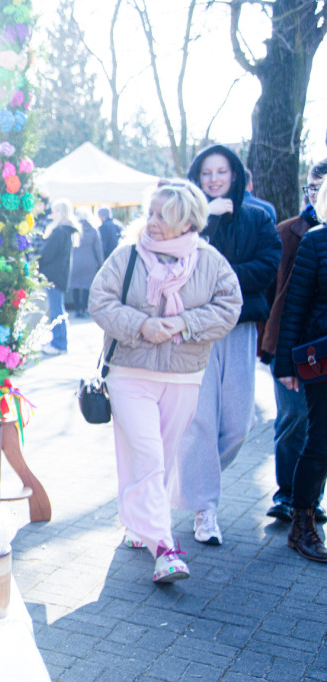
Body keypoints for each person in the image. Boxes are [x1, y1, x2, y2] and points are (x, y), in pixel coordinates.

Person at [91, 181, 241, 582]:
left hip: (183, 376)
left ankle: (137, 522)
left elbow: (230, 307)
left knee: (161, 457)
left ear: (187, 222)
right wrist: (141, 325)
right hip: (129, 373)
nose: (152, 222)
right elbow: (100, 301)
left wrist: (184, 323)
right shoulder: (127, 255)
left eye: (163, 216)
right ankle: (165, 550)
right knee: (149, 456)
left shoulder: (210, 261)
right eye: (151, 213)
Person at [174, 145, 281, 545]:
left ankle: (186, 480)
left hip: (239, 327)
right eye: (207, 173)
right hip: (195, 330)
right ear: (197, 177)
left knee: (238, 423)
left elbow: (267, 265)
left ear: (234, 174)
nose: (214, 179)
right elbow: (175, 265)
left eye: (221, 171)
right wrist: (206, 220)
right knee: (200, 420)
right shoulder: (184, 220)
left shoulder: (258, 215)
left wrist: (218, 276)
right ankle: (205, 509)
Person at [260, 159, 327, 523]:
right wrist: (270, 345)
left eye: (322, 188)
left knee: (320, 428)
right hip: (288, 346)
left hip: (321, 349)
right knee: (294, 419)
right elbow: (273, 293)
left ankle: (310, 499)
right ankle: (287, 495)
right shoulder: (289, 232)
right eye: (312, 188)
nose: (315, 195)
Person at [273, 182, 327, 563]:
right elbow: (295, 306)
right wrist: (285, 364)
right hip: (322, 359)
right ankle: (301, 526)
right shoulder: (316, 242)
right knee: (320, 441)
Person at [37, 198, 79, 355]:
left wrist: (38, 263)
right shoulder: (66, 231)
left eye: (54, 211)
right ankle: (58, 340)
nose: (52, 214)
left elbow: (47, 253)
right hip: (58, 275)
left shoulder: (60, 231)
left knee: (56, 310)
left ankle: (59, 343)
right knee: (57, 309)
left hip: (53, 276)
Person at [68, 208, 103, 318]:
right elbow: (98, 248)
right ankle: (84, 309)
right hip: (89, 262)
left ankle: (77, 310)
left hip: (75, 261)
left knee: (75, 286)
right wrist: (101, 263)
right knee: (86, 287)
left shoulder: (74, 229)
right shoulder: (93, 230)